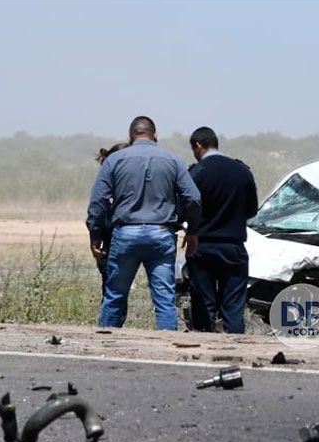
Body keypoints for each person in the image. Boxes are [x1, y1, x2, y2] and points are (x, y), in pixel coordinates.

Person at [86, 116, 201, 330]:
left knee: (114, 297)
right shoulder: (173, 160)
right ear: (156, 135)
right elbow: (193, 198)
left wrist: (96, 236)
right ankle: (168, 352)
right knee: (164, 301)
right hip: (161, 233)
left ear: (130, 137)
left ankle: (103, 344)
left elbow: (97, 202)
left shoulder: (114, 160)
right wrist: (192, 231)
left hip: (125, 234)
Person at [183, 126, 258, 333]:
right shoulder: (243, 171)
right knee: (233, 307)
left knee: (203, 305)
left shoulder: (196, 173)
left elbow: (186, 208)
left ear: (198, 146)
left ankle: (205, 351)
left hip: (202, 247)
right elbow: (251, 210)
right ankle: (235, 350)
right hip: (233, 247)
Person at [89, 142, 127, 300]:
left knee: (112, 294)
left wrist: (95, 238)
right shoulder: (117, 186)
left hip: (109, 243)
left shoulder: (107, 184)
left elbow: (95, 212)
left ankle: (109, 324)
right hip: (112, 242)